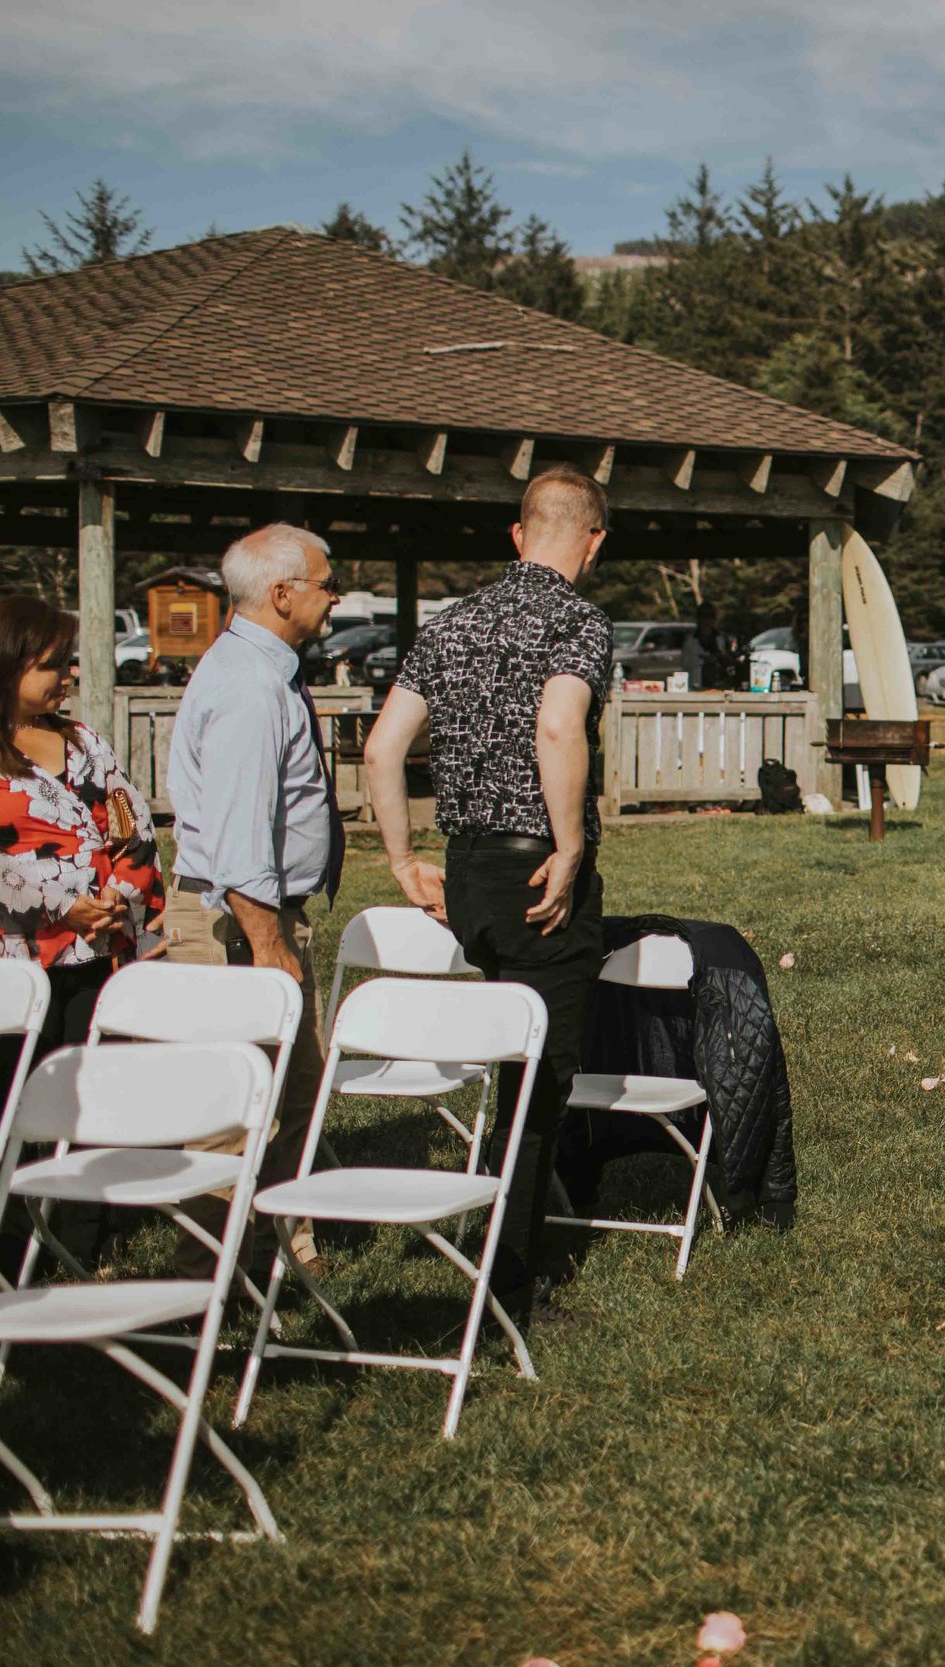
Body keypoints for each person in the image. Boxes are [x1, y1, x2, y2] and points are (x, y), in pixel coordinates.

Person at [363, 463, 615, 1321]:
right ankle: (512, 1282)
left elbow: (382, 748)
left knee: (512, 1060)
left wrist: (403, 858)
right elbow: (558, 722)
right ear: (594, 540)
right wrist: (572, 845)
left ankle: (497, 1232)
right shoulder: (579, 621)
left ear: (518, 533)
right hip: (536, 870)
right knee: (537, 1080)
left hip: (465, 868)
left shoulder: (451, 622)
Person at [164, 524, 346, 1277]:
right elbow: (240, 836)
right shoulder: (248, 685)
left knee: (296, 1090)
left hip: (258, 917)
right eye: (326, 583)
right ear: (282, 594)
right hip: (240, 925)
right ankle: (199, 1275)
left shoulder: (261, 668)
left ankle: (281, 1249)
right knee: (233, 1108)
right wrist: (269, 946)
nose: (335, 595)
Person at [0, 596, 163, 1066]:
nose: (68, 675)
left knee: (92, 1085)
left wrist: (116, 896)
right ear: (6, 666)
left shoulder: (84, 740)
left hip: (95, 947)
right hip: (6, 962)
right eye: (54, 665)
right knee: (16, 1100)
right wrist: (60, 908)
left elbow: (134, 825)